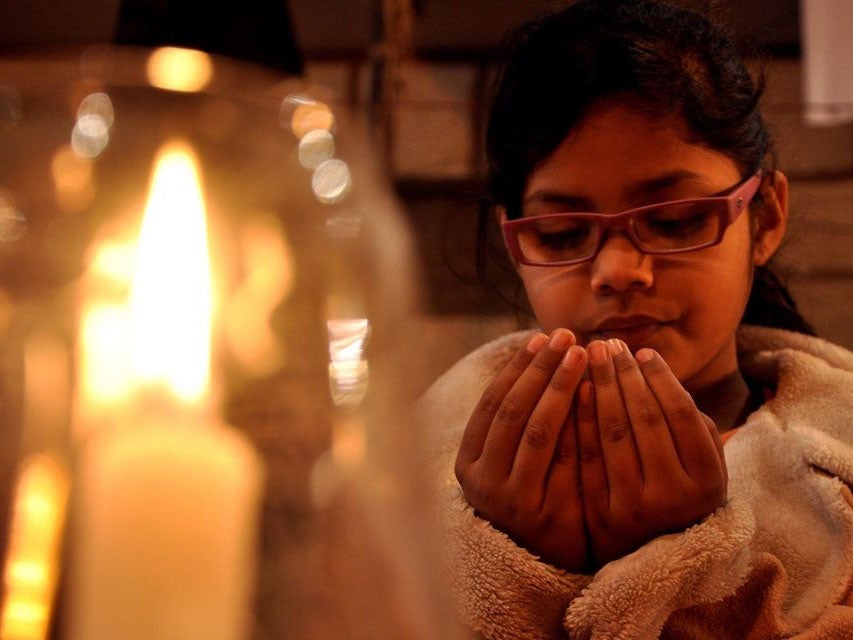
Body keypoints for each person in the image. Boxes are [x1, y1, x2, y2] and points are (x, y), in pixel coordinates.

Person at [416, 1, 853, 638]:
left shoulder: (836, 478)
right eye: (563, 234)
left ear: (766, 218)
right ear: (515, 245)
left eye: (675, 220)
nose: (618, 270)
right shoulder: (424, 469)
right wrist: (506, 552)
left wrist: (681, 564)